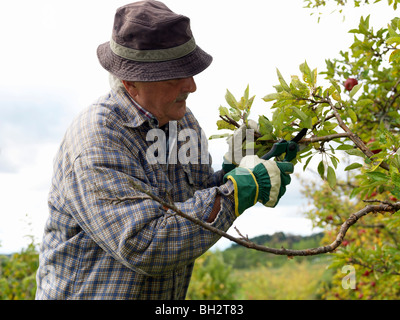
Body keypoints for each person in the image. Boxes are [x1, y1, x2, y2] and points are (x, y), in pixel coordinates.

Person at [35, 0, 293, 300]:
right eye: (174, 76)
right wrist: (237, 192)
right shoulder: (98, 139)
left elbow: (192, 203)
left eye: (191, 71)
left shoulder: (182, 122)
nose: (192, 86)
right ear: (131, 83)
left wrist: (235, 170)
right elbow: (145, 245)